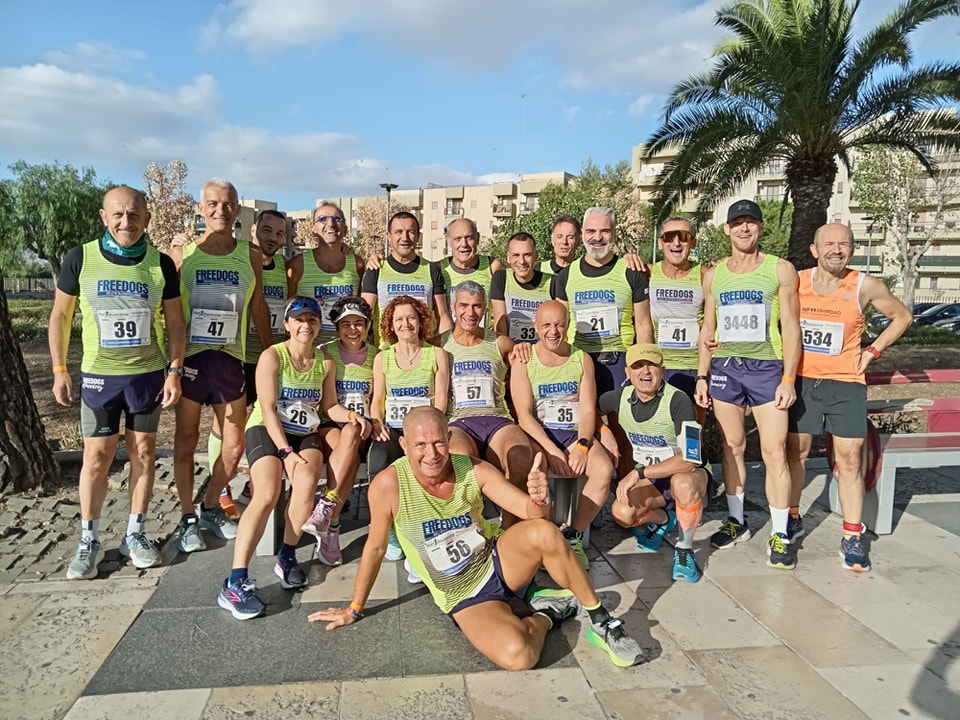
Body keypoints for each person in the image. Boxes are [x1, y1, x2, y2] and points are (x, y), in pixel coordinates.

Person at [308, 406, 648, 670]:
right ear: (404, 445)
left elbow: (532, 515)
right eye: (421, 444)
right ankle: (549, 613)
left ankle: (602, 620)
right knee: (520, 656)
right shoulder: (388, 485)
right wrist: (354, 608)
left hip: (498, 561)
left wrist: (540, 498)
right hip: (463, 593)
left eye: (439, 441)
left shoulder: (472, 468)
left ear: (449, 436)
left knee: (545, 531)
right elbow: (376, 548)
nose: (432, 453)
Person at [49, 186, 186, 579]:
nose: (127, 222)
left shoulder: (161, 264)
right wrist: (59, 370)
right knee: (96, 458)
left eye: (135, 214)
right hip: (99, 377)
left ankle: (135, 533)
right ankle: (88, 539)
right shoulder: (80, 258)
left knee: (143, 453)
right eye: (118, 215)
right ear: (103, 217)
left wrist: (174, 370)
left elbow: (175, 322)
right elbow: (59, 317)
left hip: (146, 376)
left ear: (147, 217)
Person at [217, 296, 372, 619]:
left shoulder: (323, 361)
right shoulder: (273, 356)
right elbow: (269, 408)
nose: (306, 325)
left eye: (312, 320)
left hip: (304, 432)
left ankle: (287, 554)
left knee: (305, 484)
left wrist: (352, 417)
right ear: (287, 324)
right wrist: (285, 451)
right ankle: (235, 580)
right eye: (299, 320)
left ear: (319, 326)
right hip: (268, 429)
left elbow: (329, 406)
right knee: (268, 493)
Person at [786, 223, 911, 572]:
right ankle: (793, 517)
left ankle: (852, 536)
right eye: (828, 244)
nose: (836, 250)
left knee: (850, 460)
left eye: (844, 244)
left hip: (846, 383)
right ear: (814, 249)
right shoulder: (796, 280)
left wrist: (872, 351)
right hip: (803, 380)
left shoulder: (865, 285)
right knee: (796, 453)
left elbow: (902, 316)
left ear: (853, 249)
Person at [169, 178, 273, 554]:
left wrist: (270, 352)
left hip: (231, 359)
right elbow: (168, 308)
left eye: (227, 204)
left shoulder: (250, 254)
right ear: (200, 208)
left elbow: (258, 304)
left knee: (233, 447)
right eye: (212, 204)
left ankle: (211, 504)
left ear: (237, 208)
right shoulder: (184, 253)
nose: (220, 211)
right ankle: (186, 517)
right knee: (185, 440)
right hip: (192, 359)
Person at [695, 199, 801, 569]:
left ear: (760, 228)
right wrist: (702, 375)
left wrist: (788, 377)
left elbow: (790, 326)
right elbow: (708, 328)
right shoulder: (715, 275)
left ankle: (780, 532)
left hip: (767, 369)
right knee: (732, 446)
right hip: (726, 367)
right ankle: (737, 521)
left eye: (750, 223)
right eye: (737, 223)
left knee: (774, 452)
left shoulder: (780, 269)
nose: (744, 229)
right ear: (726, 229)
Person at [510, 301, 612, 567]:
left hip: (573, 433)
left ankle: (573, 535)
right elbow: (524, 415)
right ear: (535, 328)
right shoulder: (524, 359)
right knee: (535, 473)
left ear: (567, 327)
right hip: (539, 435)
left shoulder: (581, 359)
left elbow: (589, 410)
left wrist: (582, 445)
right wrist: (551, 450)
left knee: (602, 468)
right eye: (546, 325)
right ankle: (541, 537)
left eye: (559, 325)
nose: (553, 331)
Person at [602, 344, 711, 583]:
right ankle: (664, 519)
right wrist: (602, 429)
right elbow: (587, 410)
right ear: (628, 372)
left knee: (682, 483)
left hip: (690, 476)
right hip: (654, 481)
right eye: (638, 366)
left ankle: (684, 550)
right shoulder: (617, 398)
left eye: (652, 365)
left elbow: (690, 459)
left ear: (662, 370)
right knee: (621, 514)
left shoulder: (678, 401)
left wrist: (638, 473)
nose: (646, 372)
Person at [368, 295, 451, 567]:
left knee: (426, 467)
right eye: (399, 319)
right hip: (392, 428)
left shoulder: (436, 354)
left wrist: (430, 431)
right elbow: (377, 401)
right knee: (379, 462)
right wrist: (376, 422)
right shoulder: (383, 358)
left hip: (425, 431)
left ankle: (423, 534)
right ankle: (390, 531)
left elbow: (440, 400)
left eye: (411, 318)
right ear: (391, 325)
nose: (406, 324)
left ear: (421, 321)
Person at [217, 208, 289, 517]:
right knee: (227, 425)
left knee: (269, 419)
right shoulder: (241, 262)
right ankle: (221, 486)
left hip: (271, 357)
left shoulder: (286, 268)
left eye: (279, 234)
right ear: (253, 231)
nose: (272, 238)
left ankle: (254, 483)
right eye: (267, 230)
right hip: (240, 355)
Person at [444, 280, 533, 529]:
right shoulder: (440, 344)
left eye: (477, 306)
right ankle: (470, 526)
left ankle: (510, 530)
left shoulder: (500, 342)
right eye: (464, 305)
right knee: (459, 457)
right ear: (453, 307)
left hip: (497, 420)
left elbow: (524, 366)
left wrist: (525, 349)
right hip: (459, 421)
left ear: (485, 309)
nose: (470, 313)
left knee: (520, 455)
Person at [300, 296, 379, 566]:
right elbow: (327, 404)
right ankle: (331, 522)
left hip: (364, 428)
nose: (353, 330)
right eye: (346, 324)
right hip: (331, 425)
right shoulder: (325, 352)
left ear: (368, 326)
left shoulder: (377, 356)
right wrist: (352, 418)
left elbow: (380, 398)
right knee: (349, 441)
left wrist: (371, 420)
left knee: (353, 442)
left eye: (359, 324)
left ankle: (327, 513)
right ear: (336, 327)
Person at [551, 207, 654, 396]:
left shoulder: (632, 272)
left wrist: (645, 366)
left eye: (604, 231)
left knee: (619, 424)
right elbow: (558, 326)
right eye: (591, 231)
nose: (597, 238)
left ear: (614, 234)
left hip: (619, 362)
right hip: (579, 360)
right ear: (582, 234)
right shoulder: (566, 276)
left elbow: (643, 324)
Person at [360, 211, 452, 342]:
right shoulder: (376, 269)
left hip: (423, 352)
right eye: (398, 232)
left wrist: (447, 348)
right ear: (389, 236)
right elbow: (364, 314)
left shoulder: (431, 269)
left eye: (411, 232)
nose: (405, 237)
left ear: (418, 236)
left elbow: (443, 316)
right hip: (386, 352)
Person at [286, 202, 366, 345]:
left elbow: (362, 309)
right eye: (323, 219)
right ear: (313, 230)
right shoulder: (297, 265)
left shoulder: (358, 264)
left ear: (345, 229)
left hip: (346, 349)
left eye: (337, 219)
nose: (331, 223)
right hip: (310, 351)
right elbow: (288, 311)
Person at [648, 217, 704, 401]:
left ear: (693, 242)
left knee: (693, 427)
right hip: (658, 367)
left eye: (683, 236)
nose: (676, 242)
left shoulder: (705, 274)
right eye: (669, 237)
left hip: (694, 367)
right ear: (660, 243)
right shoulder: (647, 273)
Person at [440, 218, 504, 328]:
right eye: (457, 239)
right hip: (450, 340)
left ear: (477, 238)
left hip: (483, 340)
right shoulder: (440, 269)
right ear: (449, 241)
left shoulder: (493, 266)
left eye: (469, 238)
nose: (464, 244)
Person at [491, 232, 553, 343]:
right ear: (508, 258)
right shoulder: (501, 278)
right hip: (512, 350)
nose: (522, 261)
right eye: (516, 255)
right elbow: (500, 324)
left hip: (542, 351)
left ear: (536, 256)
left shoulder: (553, 281)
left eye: (527, 255)